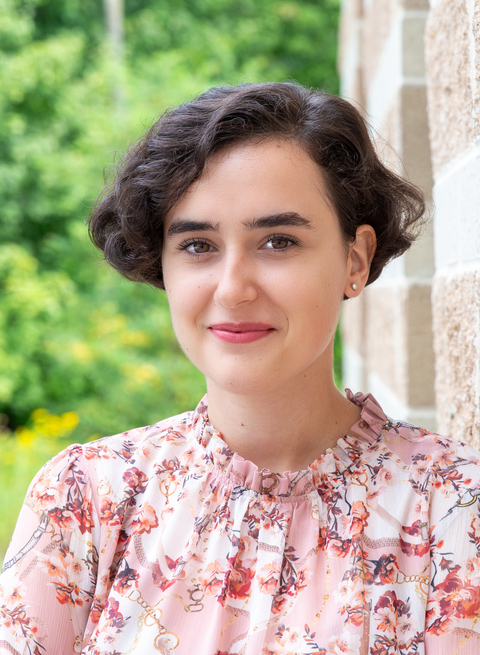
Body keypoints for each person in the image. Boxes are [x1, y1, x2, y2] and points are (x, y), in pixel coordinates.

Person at [1, 82, 479, 655]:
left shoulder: (453, 507)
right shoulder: (86, 501)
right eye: (198, 246)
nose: (232, 289)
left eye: (278, 241)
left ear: (355, 258)